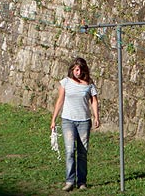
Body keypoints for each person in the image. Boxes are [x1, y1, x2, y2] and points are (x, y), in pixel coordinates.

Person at [51, 57, 100, 192]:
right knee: (70, 151)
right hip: (68, 120)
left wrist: (96, 116)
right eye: (75, 69)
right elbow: (60, 100)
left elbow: (94, 101)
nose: (77, 72)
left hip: (84, 121)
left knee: (82, 153)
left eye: (79, 69)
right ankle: (69, 181)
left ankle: (82, 181)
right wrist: (54, 119)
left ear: (84, 70)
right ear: (72, 70)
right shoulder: (65, 82)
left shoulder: (89, 84)